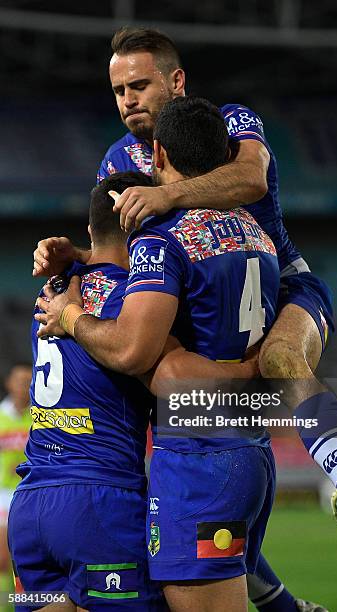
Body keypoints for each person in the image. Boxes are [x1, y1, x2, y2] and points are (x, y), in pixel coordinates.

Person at [35, 96, 299, 612]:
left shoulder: (154, 246)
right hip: (242, 451)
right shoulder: (257, 237)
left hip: (189, 463)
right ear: (227, 156)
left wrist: (70, 315)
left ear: (156, 155)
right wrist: (262, 376)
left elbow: (138, 353)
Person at [10, 170, 264, 612]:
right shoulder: (130, 302)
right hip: (99, 502)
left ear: (90, 230)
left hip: (30, 509)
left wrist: (76, 253)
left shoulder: (53, 288)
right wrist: (255, 367)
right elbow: (171, 375)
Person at [0, 363, 32, 603]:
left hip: (29, 497)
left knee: (24, 558)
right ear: (8, 383)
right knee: (3, 558)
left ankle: (20, 603)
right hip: (3, 495)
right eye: (20, 381)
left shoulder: (39, 419)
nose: (24, 386)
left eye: (28, 382)